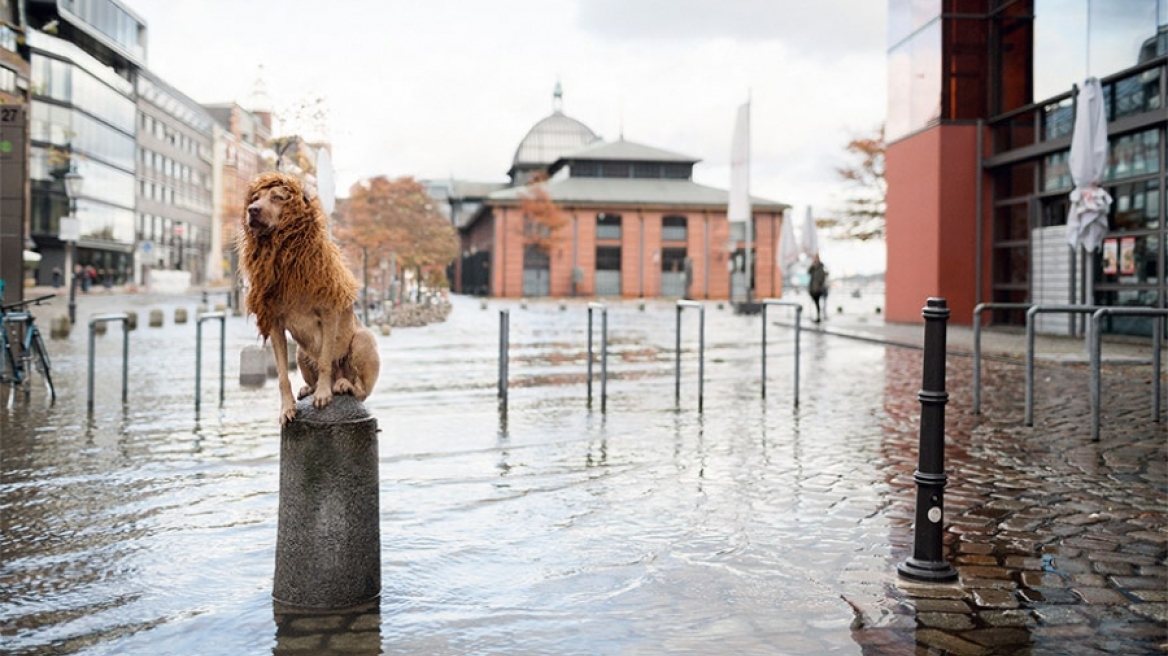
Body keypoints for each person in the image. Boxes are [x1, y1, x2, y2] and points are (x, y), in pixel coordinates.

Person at [808, 254, 828, 323]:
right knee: (815, 303)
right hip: (813, 289)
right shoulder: (813, 268)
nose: (815, 260)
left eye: (816, 258)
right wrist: (812, 265)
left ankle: (818, 317)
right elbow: (808, 272)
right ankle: (816, 317)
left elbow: (822, 278)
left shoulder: (821, 267)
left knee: (817, 303)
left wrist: (820, 287)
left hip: (818, 290)